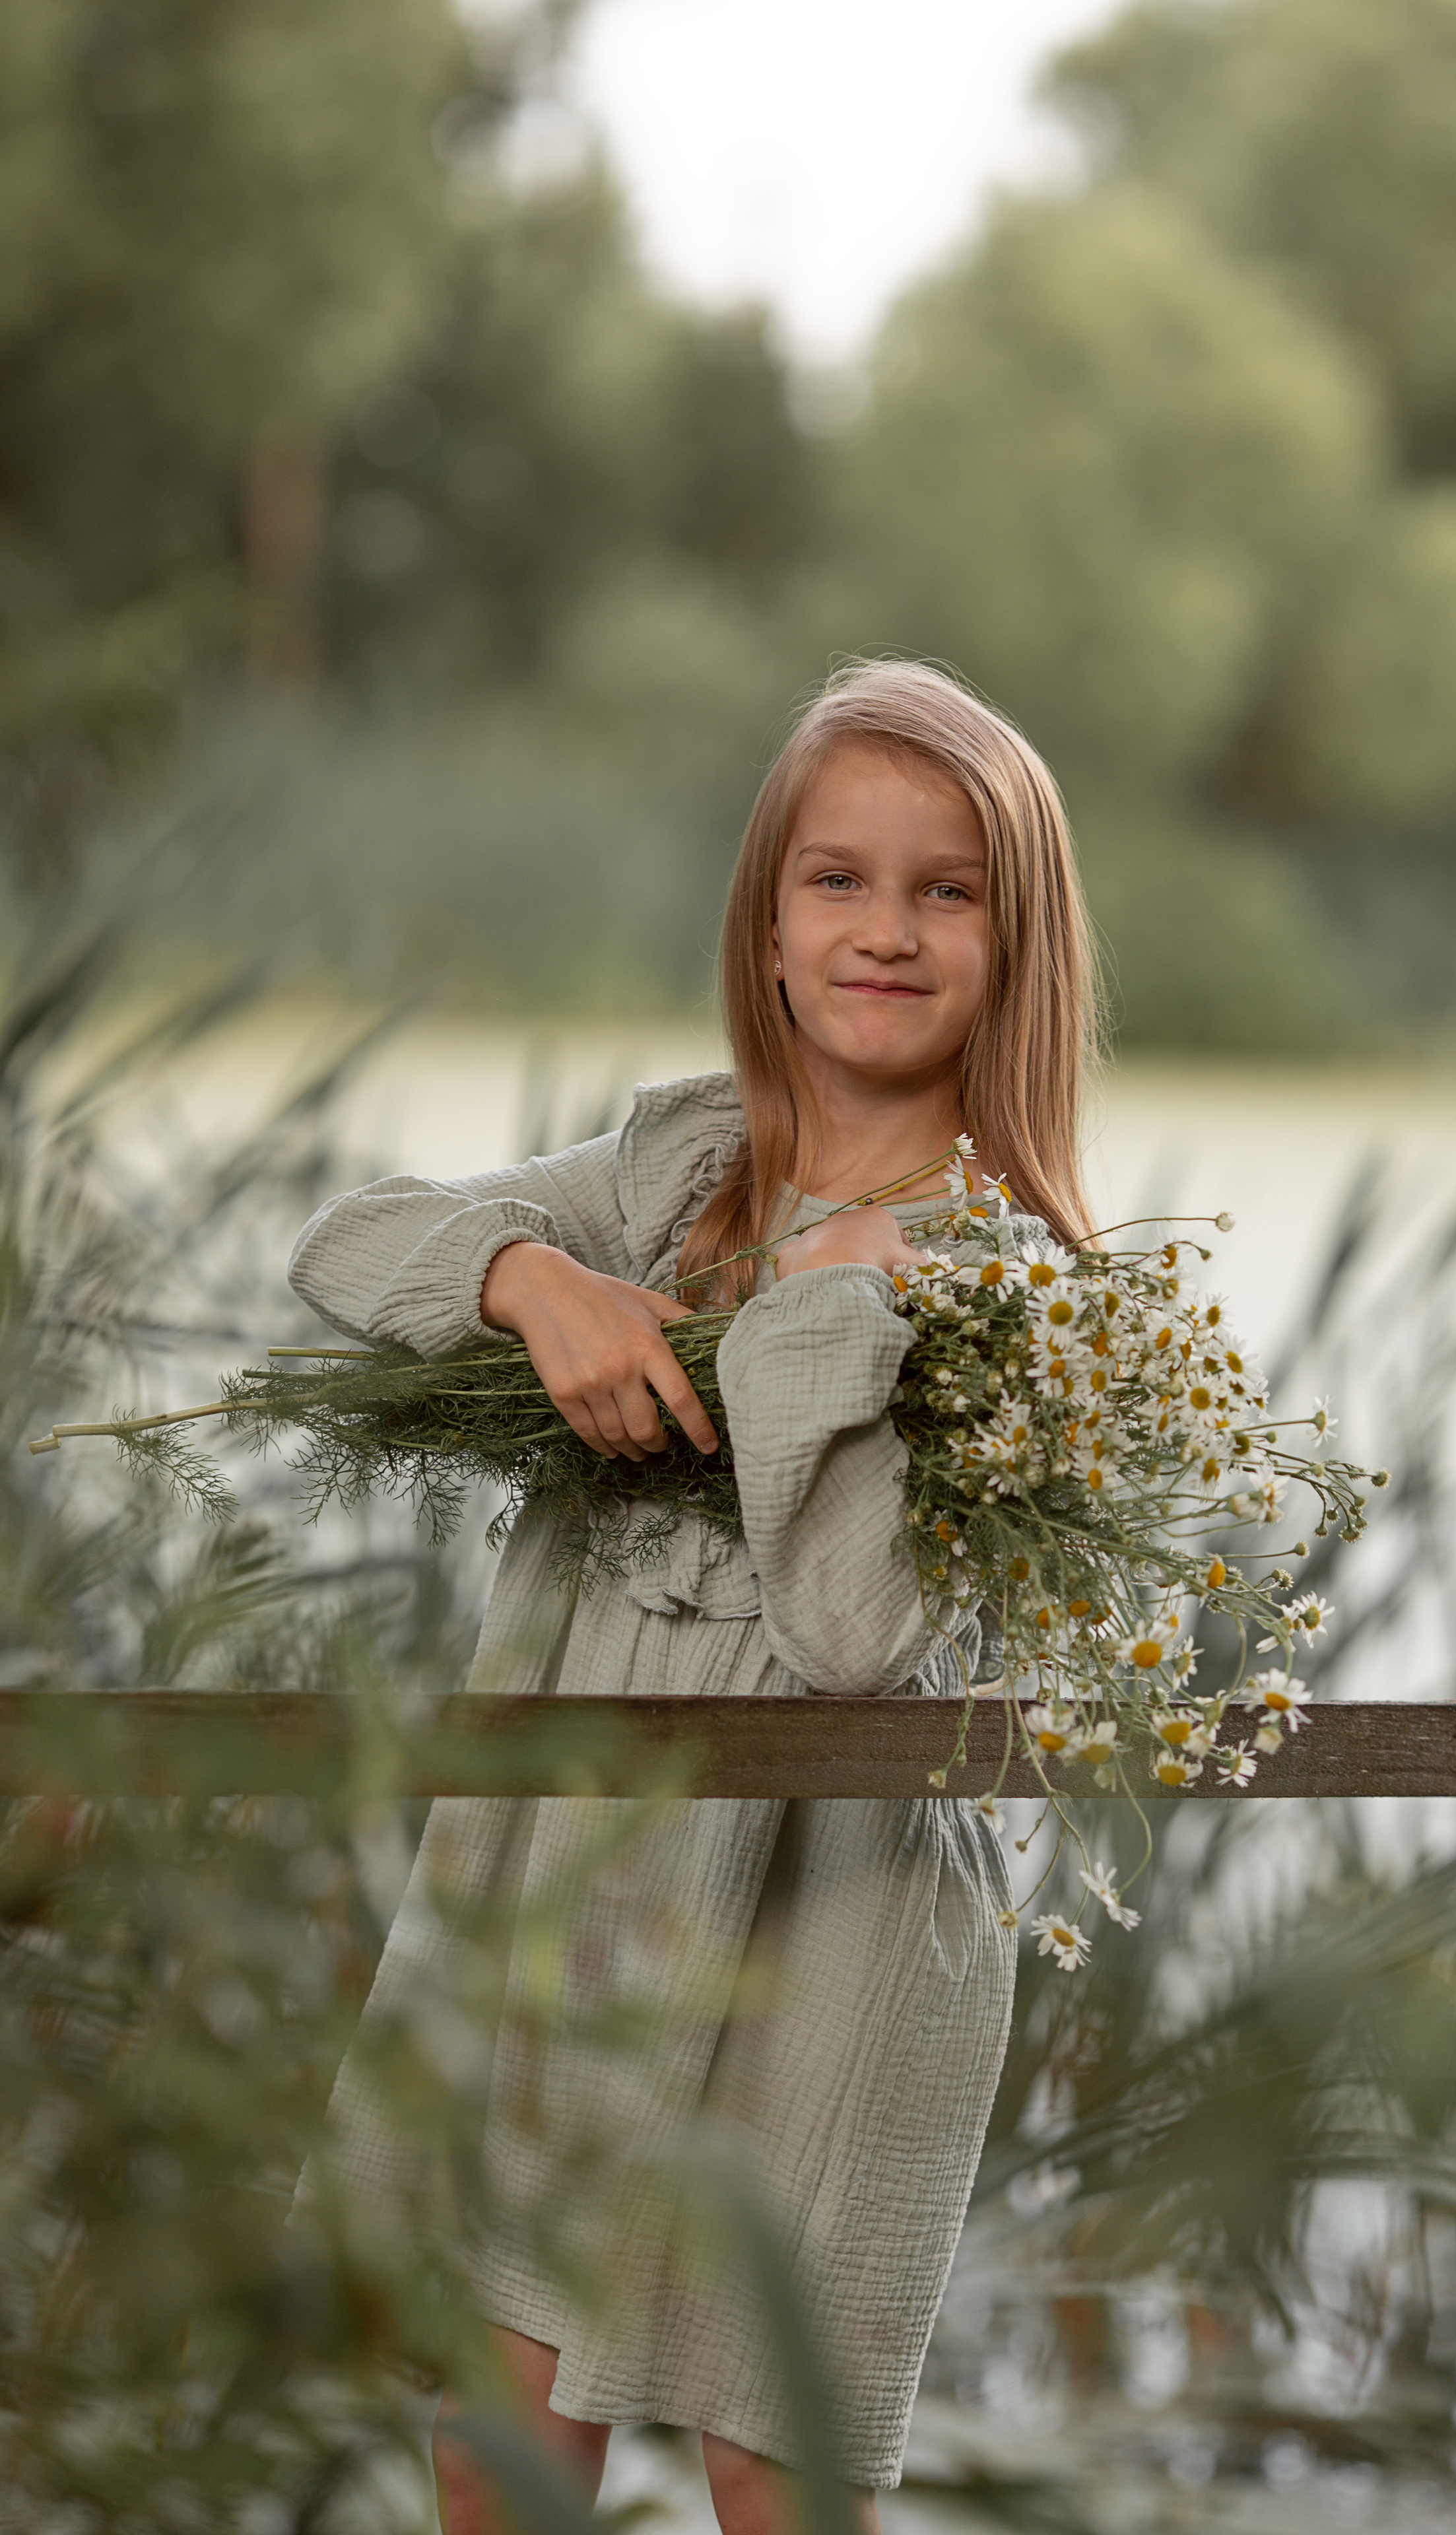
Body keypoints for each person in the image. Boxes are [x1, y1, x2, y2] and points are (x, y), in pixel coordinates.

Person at [286, 659, 1100, 2535]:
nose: (884, 930)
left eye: (947, 888)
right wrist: (529, 1279)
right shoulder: (670, 1175)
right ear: (769, 917)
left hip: (849, 1918)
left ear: (1018, 935)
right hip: (575, 1877)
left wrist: (833, 1314)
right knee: (503, 2435)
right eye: (838, 878)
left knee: (770, 2454)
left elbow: (852, 1634)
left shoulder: (1026, 1286)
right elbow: (337, 1248)